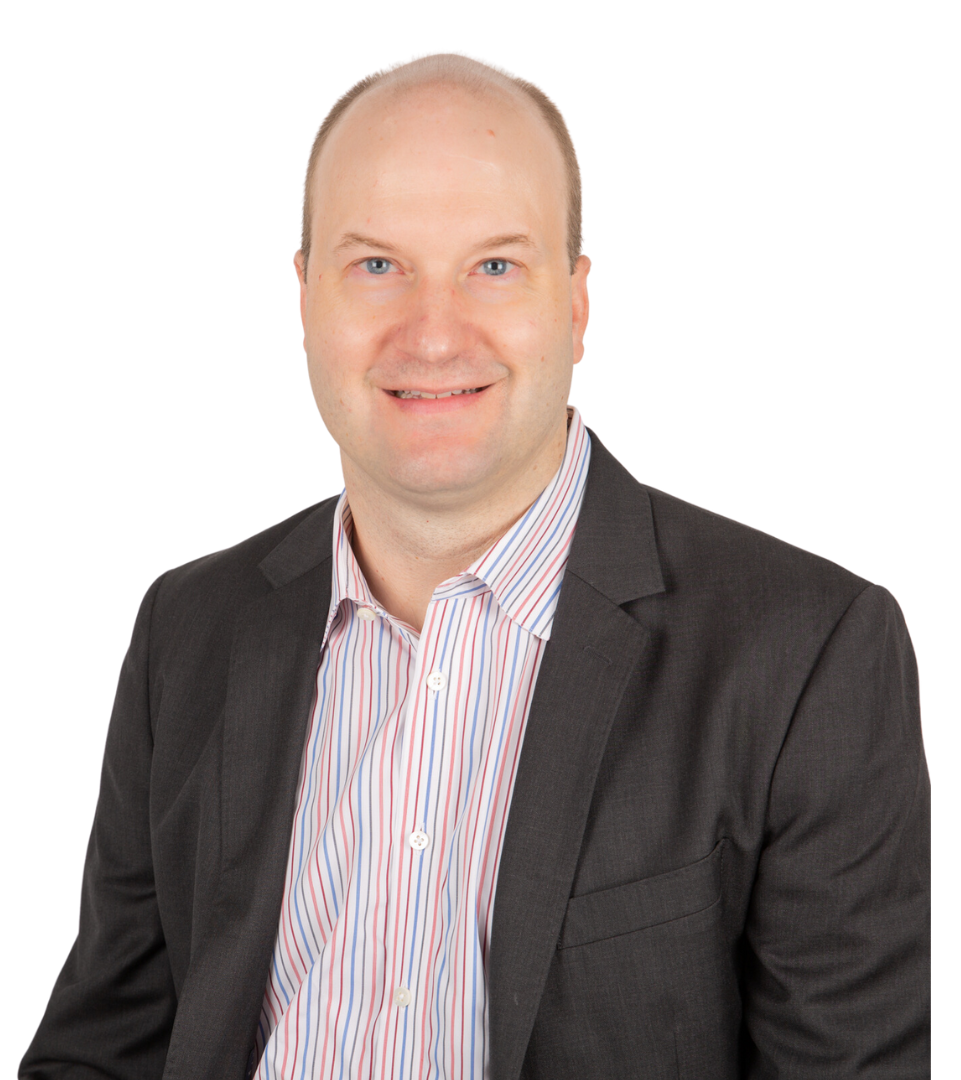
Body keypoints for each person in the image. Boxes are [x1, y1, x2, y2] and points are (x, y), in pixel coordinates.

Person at [21, 53, 929, 1080]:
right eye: (376, 265)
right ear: (304, 299)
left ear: (575, 306)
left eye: (494, 267)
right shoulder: (189, 628)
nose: (433, 334)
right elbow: (106, 1049)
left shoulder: (807, 654)